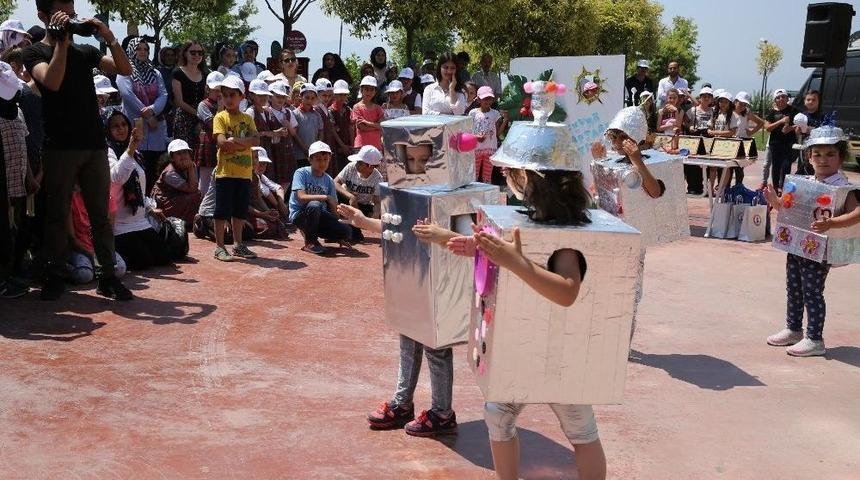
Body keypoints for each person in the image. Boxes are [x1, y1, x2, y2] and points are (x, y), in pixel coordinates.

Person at [446, 165, 606, 480]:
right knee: (499, 415)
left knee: (580, 427)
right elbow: (509, 260)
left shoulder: (565, 240)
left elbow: (566, 291)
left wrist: (515, 261)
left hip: (560, 353)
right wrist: (481, 250)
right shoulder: (531, 224)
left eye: (514, 173)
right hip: (522, 343)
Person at [23, 0, 133, 301]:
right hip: (59, 147)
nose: (69, 18)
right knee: (57, 215)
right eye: (62, 14)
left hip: (94, 145)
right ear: (43, 16)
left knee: (100, 214)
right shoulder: (35, 52)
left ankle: (107, 276)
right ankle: (55, 274)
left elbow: (124, 69)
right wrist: (60, 40)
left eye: (71, 13)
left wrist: (107, 36)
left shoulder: (86, 51)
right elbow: (52, 82)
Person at [337, 204, 462, 437]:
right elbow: (401, 226)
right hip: (413, 271)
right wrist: (364, 222)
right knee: (408, 336)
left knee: (436, 347)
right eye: (411, 163)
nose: (415, 167)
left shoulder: (447, 196)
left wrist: (443, 236)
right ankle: (402, 403)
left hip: (442, 277)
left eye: (421, 163)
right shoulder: (408, 193)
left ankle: (443, 414)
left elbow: (468, 238)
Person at [764, 125, 860, 357]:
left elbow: (857, 213)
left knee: (812, 292)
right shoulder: (804, 182)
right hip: (797, 246)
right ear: (808, 156)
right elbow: (790, 210)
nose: (823, 160)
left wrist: (832, 224)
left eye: (830, 154)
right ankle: (794, 329)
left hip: (820, 251)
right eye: (817, 154)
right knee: (794, 288)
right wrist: (776, 201)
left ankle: (815, 338)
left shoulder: (844, 187)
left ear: (841, 157)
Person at [107, 112, 172, 271]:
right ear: (108, 130)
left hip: (139, 221)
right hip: (120, 224)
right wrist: (130, 148)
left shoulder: (136, 153)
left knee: (164, 256)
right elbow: (117, 178)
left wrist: (150, 208)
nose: (121, 129)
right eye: (115, 126)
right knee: (143, 261)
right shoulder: (108, 151)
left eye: (123, 124)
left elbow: (141, 187)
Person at [212, 74, 260, 262]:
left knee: (240, 210)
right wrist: (244, 143)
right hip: (225, 173)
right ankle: (219, 247)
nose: (229, 99)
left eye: (233, 95)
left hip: (244, 173)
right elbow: (222, 142)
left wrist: (237, 141)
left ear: (241, 97)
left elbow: (256, 140)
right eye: (226, 95)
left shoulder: (247, 119)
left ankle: (238, 245)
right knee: (222, 210)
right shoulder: (220, 117)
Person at [116, 37, 168, 195]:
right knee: (135, 168)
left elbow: (163, 94)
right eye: (139, 49)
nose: (143, 52)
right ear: (132, 51)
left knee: (154, 169)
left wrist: (152, 109)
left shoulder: (155, 72)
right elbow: (127, 94)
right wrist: (147, 116)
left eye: (146, 49)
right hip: (135, 126)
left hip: (155, 131)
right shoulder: (124, 71)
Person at [288, 141, 352, 254]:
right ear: (310, 160)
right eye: (318, 159)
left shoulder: (329, 180)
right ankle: (310, 242)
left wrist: (337, 229)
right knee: (315, 204)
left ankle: (324, 235)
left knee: (347, 231)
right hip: (301, 216)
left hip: (320, 217)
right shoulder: (301, 173)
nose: (322, 163)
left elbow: (334, 211)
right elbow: (301, 197)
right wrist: (326, 197)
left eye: (325, 159)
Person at [335, 145, 383, 241]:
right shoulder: (350, 167)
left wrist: (374, 219)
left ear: (370, 166)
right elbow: (335, 182)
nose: (356, 164)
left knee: (356, 236)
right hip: (345, 201)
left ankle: (352, 232)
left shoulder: (378, 178)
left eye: (360, 163)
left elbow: (377, 201)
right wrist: (351, 196)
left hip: (362, 206)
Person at [151, 139, 202, 226]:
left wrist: (191, 167)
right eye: (178, 153)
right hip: (164, 201)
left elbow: (195, 187)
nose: (183, 156)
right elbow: (192, 189)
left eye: (185, 152)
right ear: (172, 157)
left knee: (198, 195)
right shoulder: (170, 173)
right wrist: (190, 168)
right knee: (193, 197)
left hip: (178, 196)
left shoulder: (191, 165)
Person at [762, 88, 799, 192]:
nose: (781, 99)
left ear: (787, 98)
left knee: (786, 165)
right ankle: (775, 187)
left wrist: (790, 128)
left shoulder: (794, 110)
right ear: (775, 100)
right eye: (778, 97)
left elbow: (800, 124)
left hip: (789, 142)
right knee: (776, 166)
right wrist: (780, 121)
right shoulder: (772, 112)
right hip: (775, 143)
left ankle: (783, 188)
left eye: (783, 96)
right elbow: (767, 127)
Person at [172, 40, 206, 147]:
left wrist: (202, 118)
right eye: (193, 52)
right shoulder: (178, 73)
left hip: (202, 118)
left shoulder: (205, 73)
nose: (197, 55)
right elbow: (179, 101)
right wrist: (198, 114)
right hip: (184, 119)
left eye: (200, 53)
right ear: (185, 53)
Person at [266, 80, 299, 190]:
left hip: (286, 151)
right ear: (270, 97)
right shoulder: (266, 112)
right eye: (278, 96)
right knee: (271, 177)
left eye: (283, 97)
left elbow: (294, 133)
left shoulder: (288, 112)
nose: (281, 99)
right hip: (272, 151)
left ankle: (281, 201)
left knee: (287, 178)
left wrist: (288, 125)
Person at [196, 71, 224, 196]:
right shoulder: (203, 105)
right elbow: (213, 125)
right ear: (208, 89)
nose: (218, 93)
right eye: (215, 90)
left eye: (220, 90)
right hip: (208, 145)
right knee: (205, 183)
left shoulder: (227, 104)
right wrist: (220, 108)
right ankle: (201, 211)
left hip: (223, 146)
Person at [683, 87, 715, 195]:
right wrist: (690, 126)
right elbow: (685, 121)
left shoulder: (713, 111)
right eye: (704, 96)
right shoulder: (693, 110)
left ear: (711, 99)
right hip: (695, 137)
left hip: (708, 138)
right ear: (700, 98)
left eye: (708, 97)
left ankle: (704, 187)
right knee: (693, 164)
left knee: (706, 164)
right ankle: (692, 187)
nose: (706, 98)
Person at [470, 86, 502, 183]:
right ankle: (473, 193)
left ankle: (487, 195)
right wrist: (476, 137)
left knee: (487, 175)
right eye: (485, 99)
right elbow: (468, 130)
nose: (487, 101)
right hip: (476, 148)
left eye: (490, 99)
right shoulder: (473, 113)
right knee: (474, 174)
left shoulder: (495, 113)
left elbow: (498, 132)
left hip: (490, 148)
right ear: (479, 99)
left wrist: (505, 120)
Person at [708, 91, 741, 186]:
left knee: (725, 167)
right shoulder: (715, 114)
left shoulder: (733, 116)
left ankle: (723, 188)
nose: (723, 104)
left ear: (730, 104)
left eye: (725, 102)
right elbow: (709, 128)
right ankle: (710, 188)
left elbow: (732, 132)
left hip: (727, 145)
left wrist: (715, 133)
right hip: (715, 144)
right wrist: (710, 131)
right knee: (713, 167)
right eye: (721, 101)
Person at [292, 83, 323, 169]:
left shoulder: (317, 115)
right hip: (299, 154)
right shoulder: (295, 114)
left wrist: (317, 147)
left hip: (314, 154)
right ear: (301, 97)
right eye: (307, 98)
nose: (309, 101)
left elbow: (321, 131)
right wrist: (305, 149)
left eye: (312, 98)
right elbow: (295, 135)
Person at [351, 76, 384, 150]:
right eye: (366, 89)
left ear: (375, 92)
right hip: (361, 145)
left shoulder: (378, 108)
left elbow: (381, 125)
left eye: (371, 90)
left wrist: (366, 122)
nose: (369, 92)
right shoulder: (356, 107)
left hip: (376, 145)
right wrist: (376, 126)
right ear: (361, 90)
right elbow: (361, 127)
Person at [795, 90, 822, 175]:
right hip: (803, 152)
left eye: (814, 100)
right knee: (801, 173)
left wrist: (810, 130)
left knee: (815, 174)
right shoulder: (801, 116)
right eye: (808, 99)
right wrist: (797, 131)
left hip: (817, 152)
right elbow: (798, 133)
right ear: (804, 101)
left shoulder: (823, 117)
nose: (811, 102)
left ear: (818, 101)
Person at [330, 79, 355, 169]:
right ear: (334, 95)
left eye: (344, 95)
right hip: (336, 147)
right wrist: (342, 146)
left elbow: (350, 127)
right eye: (340, 95)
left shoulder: (348, 109)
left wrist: (352, 145)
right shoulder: (330, 110)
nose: (342, 97)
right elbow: (333, 130)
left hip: (348, 145)